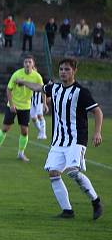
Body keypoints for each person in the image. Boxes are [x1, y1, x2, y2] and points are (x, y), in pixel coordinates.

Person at [18, 58, 103, 219]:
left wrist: (97, 132)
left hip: (76, 139)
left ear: (74, 71)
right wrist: (23, 81)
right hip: (58, 141)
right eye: (61, 69)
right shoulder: (54, 88)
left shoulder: (80, 92)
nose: (63, 72)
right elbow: (38, 87)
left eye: (67, 69)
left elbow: (97, 112)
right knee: (53, 173)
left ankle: (95, 201)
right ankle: (67, 211)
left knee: (72, 172)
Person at [0, 54, 43, 162]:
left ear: (33, 64)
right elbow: (9, 89)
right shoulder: (17, 74)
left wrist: (45, 103)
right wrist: (12, 104)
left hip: (26, 107)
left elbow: (41, 88)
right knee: (5, 129)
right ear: (23, 64)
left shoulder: (37, 76)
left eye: (29, 62)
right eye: (26, 62)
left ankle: (21, 154)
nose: (27, 64)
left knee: (24, 132)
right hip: (13, 105)